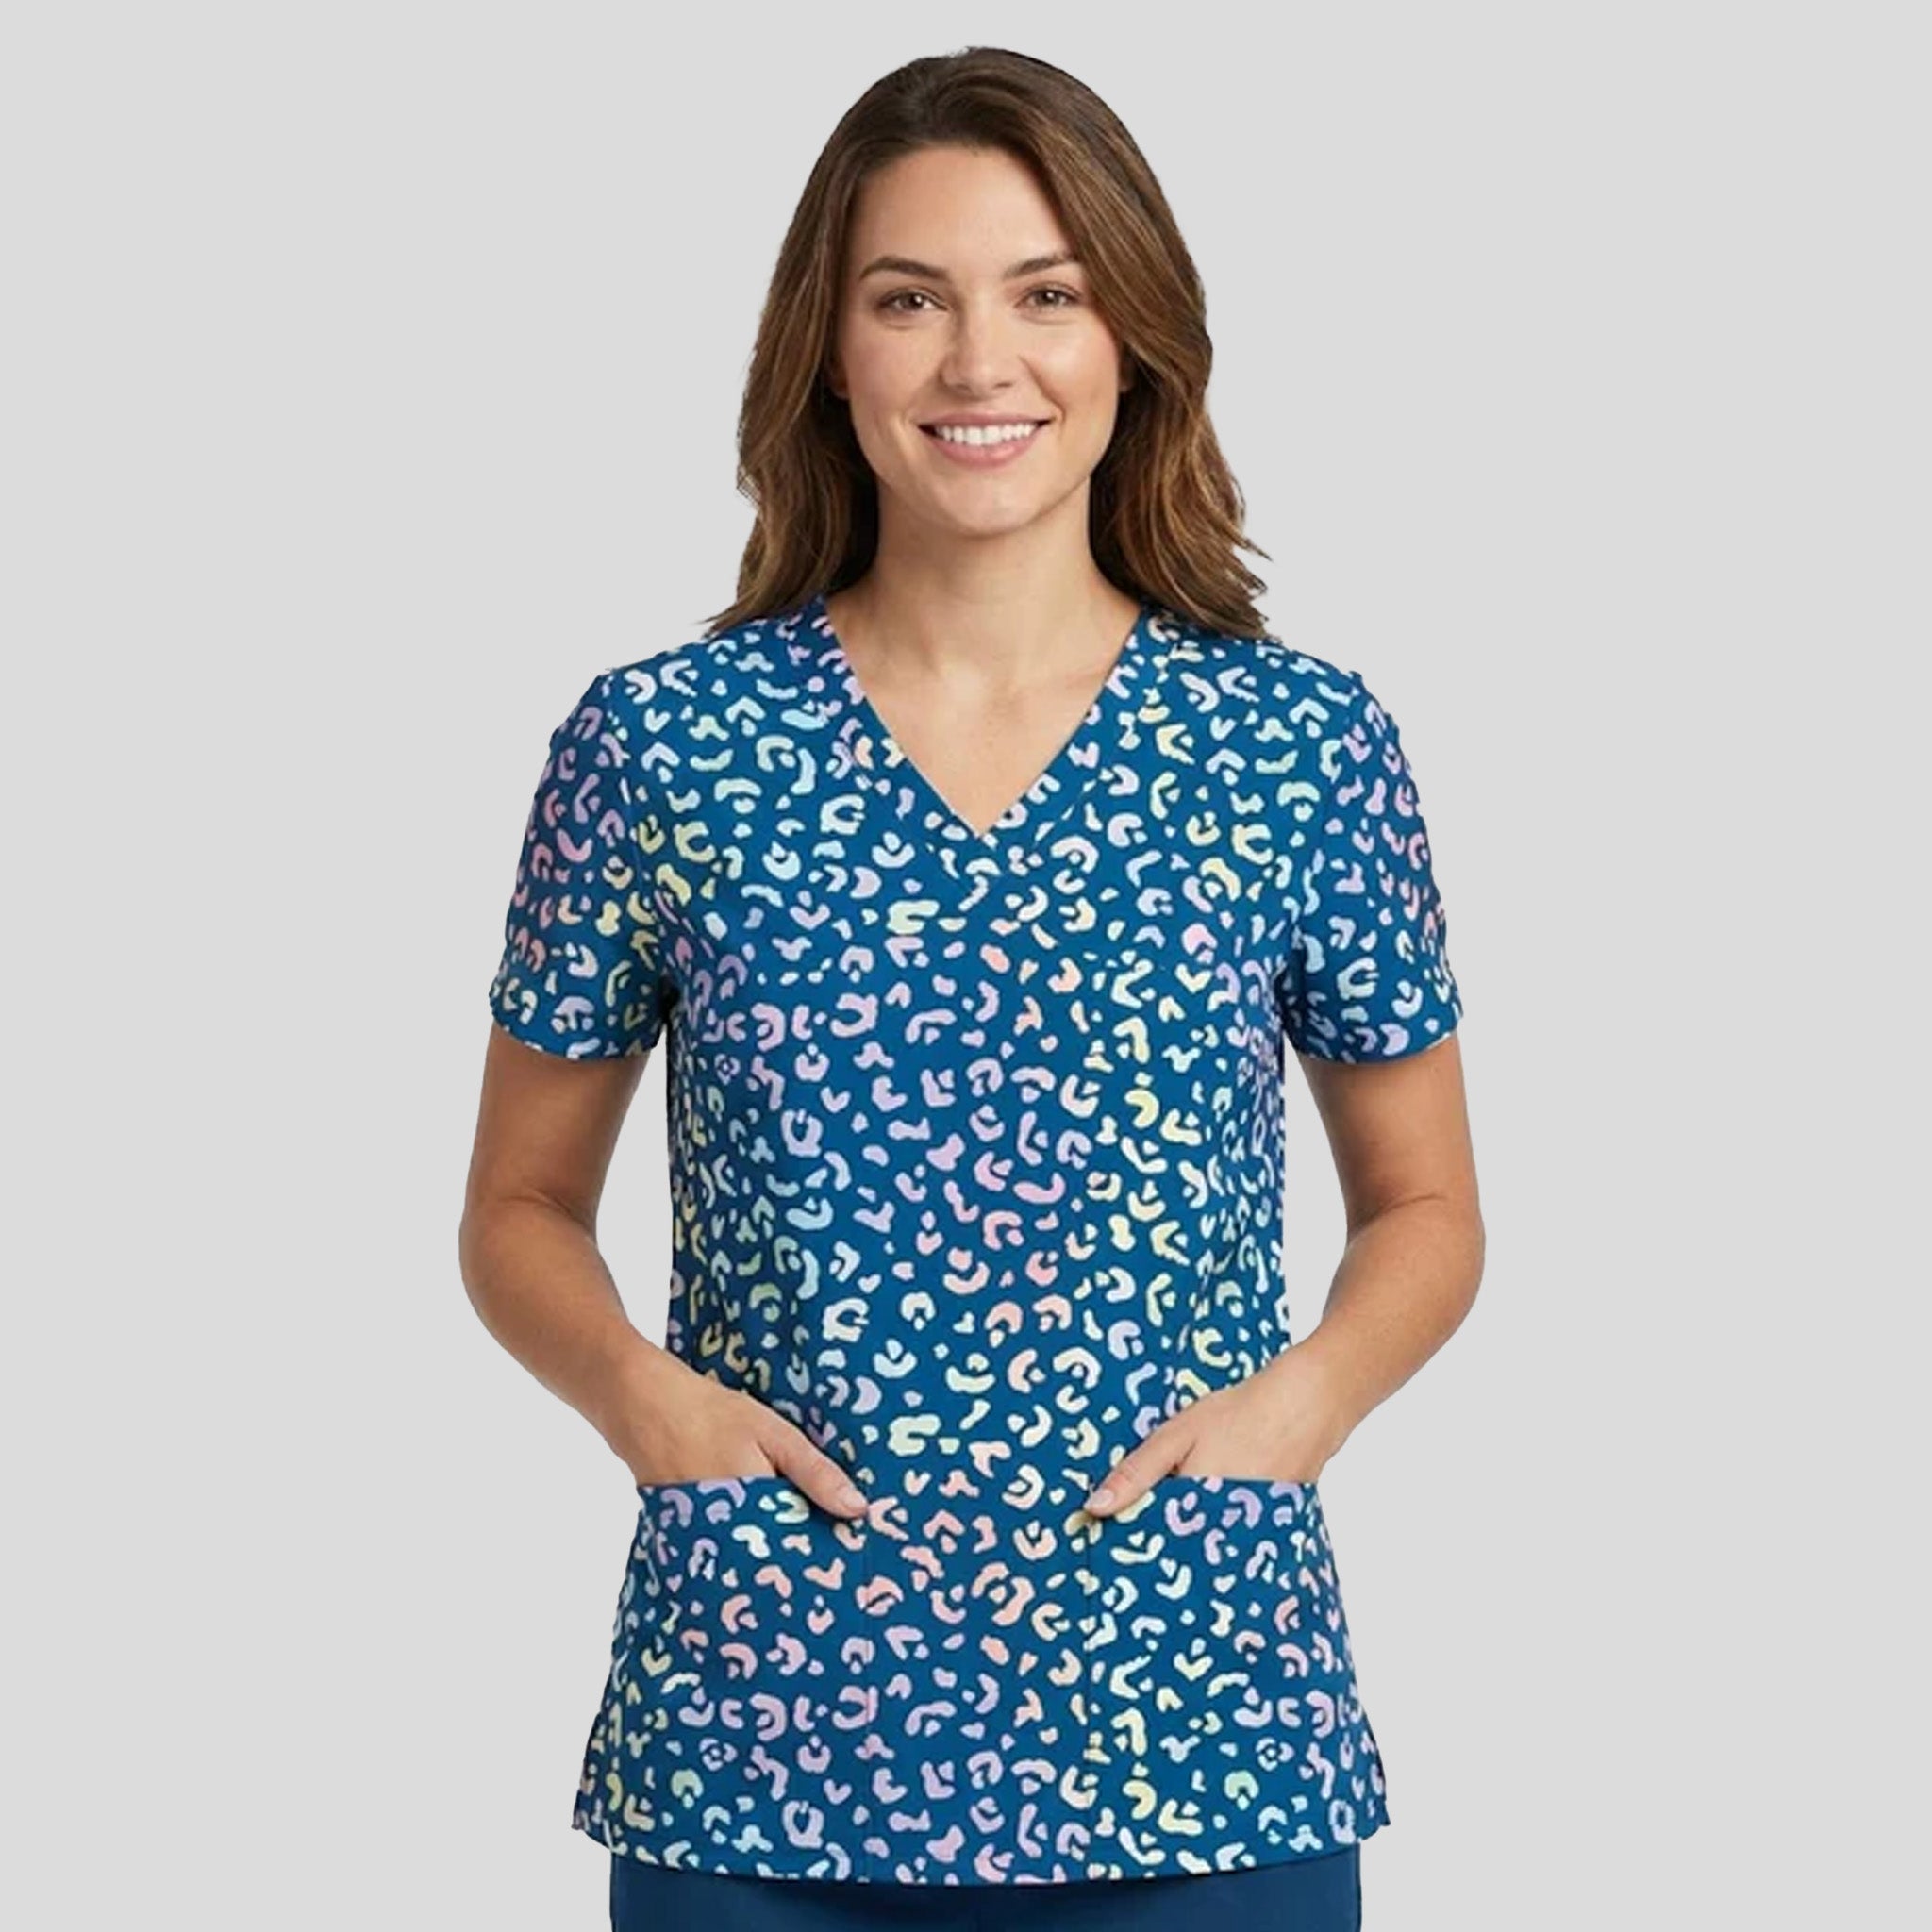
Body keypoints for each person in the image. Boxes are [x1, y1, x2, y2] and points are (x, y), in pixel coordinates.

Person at [459, 45, 1482, 1932]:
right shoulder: (662, 746)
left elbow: (1426, 1206)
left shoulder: (1296, 745)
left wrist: (1300, 1413)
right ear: (828, 353)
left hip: (1200, 1725)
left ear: (1134, 342)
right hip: (760, 1732)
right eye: (909, 299)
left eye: (1047, 294)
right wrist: (646, 1409)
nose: (977, 363)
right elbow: (517, 1205)